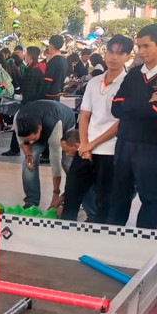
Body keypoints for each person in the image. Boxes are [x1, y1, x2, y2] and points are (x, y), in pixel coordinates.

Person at [107, 24, 157, 229]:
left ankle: (145, 239)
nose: (141, 52)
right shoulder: (134, 73)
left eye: (146, 46)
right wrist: (145, 101)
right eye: (139, 47)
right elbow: (115, 108)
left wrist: (131, 104)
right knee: (119, 194)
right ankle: (113, 235)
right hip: (124, 141)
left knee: (149, 194)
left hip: (149, 143)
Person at [61, 35, 133, 223]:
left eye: (120, 53)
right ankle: (63, 238)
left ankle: (98, 239)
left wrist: (92, 144)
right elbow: (84, 114)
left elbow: (120, 122)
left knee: (104, 201)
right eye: (110, 51)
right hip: (85, 149)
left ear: (127, 56)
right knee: (72, 194)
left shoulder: (129, 84)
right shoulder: (94, 82)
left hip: (109, 151)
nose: (113, 57)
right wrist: (84, 144)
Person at [14, 100, 76, 209]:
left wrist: (55, 194)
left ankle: (75, 197)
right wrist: (28, 156)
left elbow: (55, 162)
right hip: (42, 116)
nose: (31, 143)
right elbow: (22, 142)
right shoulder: (17, 120)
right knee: (28, 164)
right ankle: (31, 201)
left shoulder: (54, 126)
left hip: (64, 120)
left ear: (39, 128)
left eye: (33, 139)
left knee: (69, 164)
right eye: (28, 141)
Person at [2, 46, 47, 157]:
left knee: (18, 123)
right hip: (33, 101)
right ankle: (17, 147)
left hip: (29, 102)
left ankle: (15, 148)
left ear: (30, 56)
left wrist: (24, 99)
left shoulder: (34, 70)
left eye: (26, 54)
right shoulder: (36, 68)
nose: (24, 56)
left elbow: (30, 87)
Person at [41, 34, 68, 101]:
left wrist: (40, 96)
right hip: (58, 95)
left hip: (49, 97)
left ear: (51, 45)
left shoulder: (53, 61)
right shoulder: (64, 61)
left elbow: (47, 82)